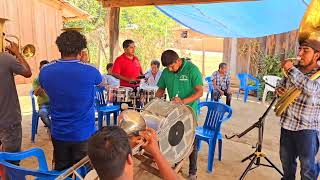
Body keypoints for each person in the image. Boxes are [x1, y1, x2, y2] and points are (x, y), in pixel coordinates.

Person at [39, 30, 103, 171]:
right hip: (83, 133)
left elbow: (43, 86)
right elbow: (101, 83)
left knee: (62, 170)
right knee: (85, 172)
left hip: (59, 132)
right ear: (81, 50)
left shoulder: (45, 71)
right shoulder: (91, 71)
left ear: (60, 48)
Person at [275, 37, 320, 179]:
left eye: (305, 51)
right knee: (286, 164)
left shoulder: (316, 75)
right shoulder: (293, 71)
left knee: (307, 169)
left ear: (317, 55)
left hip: (307, 129)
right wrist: (279, 90)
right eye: (300, 49)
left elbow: (311, 89)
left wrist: (291, 70)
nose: (300, 53)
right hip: (287, 125)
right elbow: (281, 85)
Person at [155, 50, 203, 180]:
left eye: (172, 66)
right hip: (173, 113)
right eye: (167, 67)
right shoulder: (166, 72)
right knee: (174, 139)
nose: (170, 70)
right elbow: (160, 89)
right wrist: (155, 102)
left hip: (189, 113)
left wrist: (183, 101)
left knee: (190, 141)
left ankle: (193, 171)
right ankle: (177, 164)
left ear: (178, 61)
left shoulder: (192, 70)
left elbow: (200, 92)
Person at [87, 126, 177, 180]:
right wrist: (156, 153)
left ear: (92, 164)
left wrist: (125, 146)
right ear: (130, 159)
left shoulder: (89, 176)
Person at [0, 40, 32, 160]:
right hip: (8, 120)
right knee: (12, 162)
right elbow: (27, 72)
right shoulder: (5, 58)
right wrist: (17, 53)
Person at [32, 60, 51, 128]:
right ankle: (53, 129)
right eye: (42, 69)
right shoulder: (37, 80)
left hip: (56, 104)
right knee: (42, 114)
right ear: (40, 69)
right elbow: (36, 94)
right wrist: (42, 83)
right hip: (44, 105)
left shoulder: (54, 78)